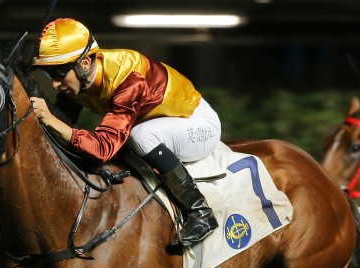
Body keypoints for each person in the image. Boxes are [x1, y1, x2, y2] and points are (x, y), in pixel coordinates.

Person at [29, 18, 221, 245]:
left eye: (59, 73)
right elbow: (59, 128)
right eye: (51, 74)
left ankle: (200, 212)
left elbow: (102, 148)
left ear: (84, 64)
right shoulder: (81, 79)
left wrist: (50, 119)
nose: (55, 84)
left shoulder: (129, 80)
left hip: (196, 124)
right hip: (159, 124)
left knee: (139, 136)